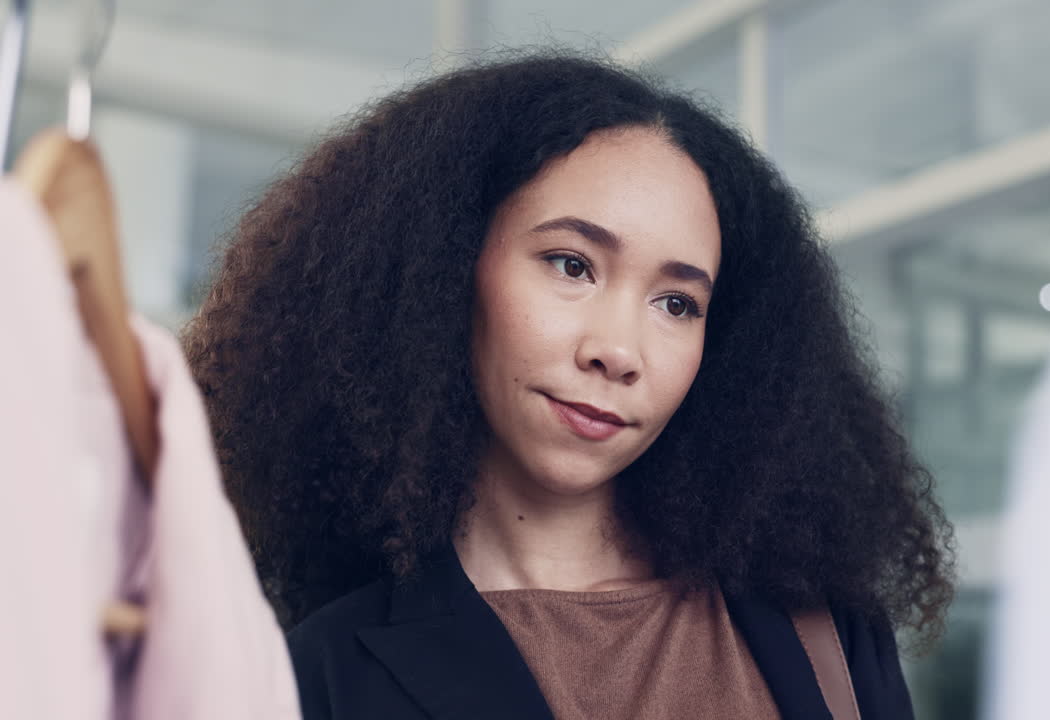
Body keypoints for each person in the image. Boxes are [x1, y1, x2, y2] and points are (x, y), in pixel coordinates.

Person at [183, 52, 954, 720]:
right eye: (572, 265)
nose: (618, 351)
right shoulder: (322, 676)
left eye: (677, 304)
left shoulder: (824, 628)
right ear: (445, 271)